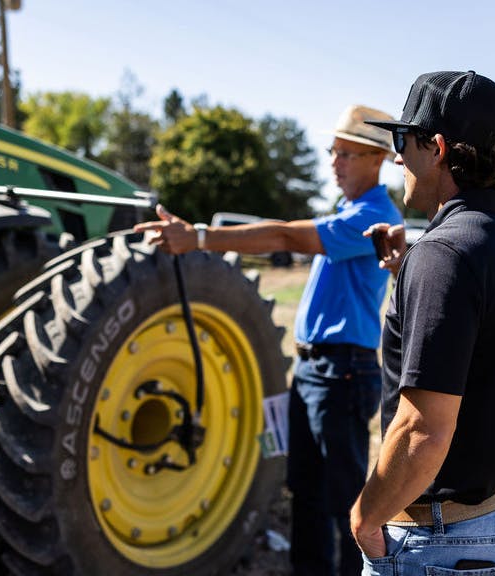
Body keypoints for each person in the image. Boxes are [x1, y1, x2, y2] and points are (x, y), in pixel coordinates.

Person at [135, 104, 403, 576]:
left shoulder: (373, 216)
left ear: (376, 159)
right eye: (332, 151)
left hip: (342, 371)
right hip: (314, 369)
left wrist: (200, 238)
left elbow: (285, 235)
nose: (334, 162)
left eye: (346, 153)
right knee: (304, 488)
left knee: (342, 500)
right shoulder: (347, 211)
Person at [348, 71, 495, 576]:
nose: (397, 157)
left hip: (444, 541)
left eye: (403, 140)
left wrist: (365, 518)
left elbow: (422, 430)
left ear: (436, 147)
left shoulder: (444, 253)